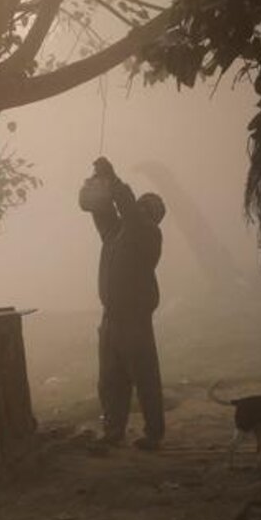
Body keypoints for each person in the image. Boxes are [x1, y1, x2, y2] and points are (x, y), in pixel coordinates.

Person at [81, 156, 167, 450]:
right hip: (112, 319)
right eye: (142, 204)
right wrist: (99, 183)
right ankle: (114, 431)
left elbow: (127, 209)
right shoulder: (115, 233)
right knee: (109, 381)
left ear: (154, 216)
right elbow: (102, 212)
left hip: (134, 320)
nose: (142, 209)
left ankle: (154, 434)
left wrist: (113, 180)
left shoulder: (148, 235)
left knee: (144, 379)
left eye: (148, 208)